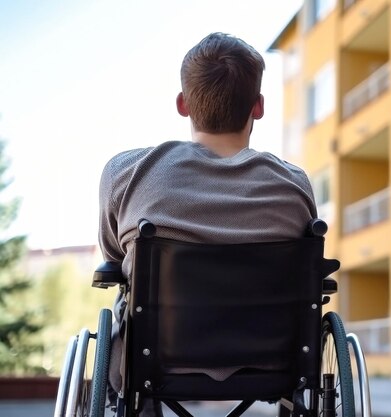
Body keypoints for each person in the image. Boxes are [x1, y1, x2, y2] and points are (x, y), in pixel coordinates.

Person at [98, 32, 317, 416]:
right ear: (258, 106)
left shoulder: (128, 172)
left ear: (183, 104)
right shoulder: (293, 185)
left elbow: (113, 256)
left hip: (157, 357)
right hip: (274, 360)